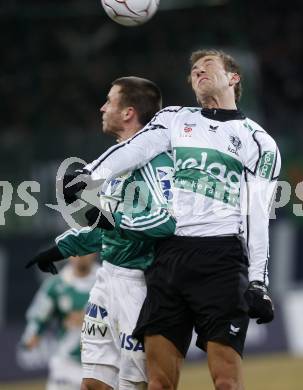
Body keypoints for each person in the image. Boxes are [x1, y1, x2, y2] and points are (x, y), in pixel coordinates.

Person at [64, 50, 281, 390]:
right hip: (169, 258)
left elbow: (257, 215)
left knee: (226, 381)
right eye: (193, 71)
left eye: (207, 66)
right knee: (159, 383)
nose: (198, 72)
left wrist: (258, 282)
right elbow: (135, 148)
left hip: (221, 259)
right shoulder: (177, 119)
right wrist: (90, 173)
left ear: (233, 78)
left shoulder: (258, 142)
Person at [27, 76, 176, 390]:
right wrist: (60, 248)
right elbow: (102, 227)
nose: (102, 107)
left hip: (138, 286)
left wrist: (111, 220)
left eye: (110, 100)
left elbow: (164, 222)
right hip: (106, 279)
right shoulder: (118, 163)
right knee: (93, 383)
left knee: (134, 384)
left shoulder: (156, 163)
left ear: (128, 112)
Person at [21, 253, 98, 390]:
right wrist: (32, 335)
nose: (80, 254)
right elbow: (38, 316)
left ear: (94, 252)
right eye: (75, 249)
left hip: (100, 365)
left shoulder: (106, 281)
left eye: (85, 249)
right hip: (66, 365)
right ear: (68, 254)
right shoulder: (56, 285)